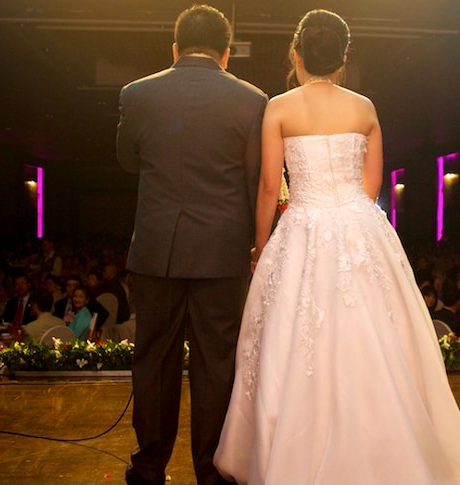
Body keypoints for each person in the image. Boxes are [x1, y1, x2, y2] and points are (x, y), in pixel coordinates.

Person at [214, 9, 460, 484]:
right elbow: (371, 184)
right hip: (360, 230)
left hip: (300, 227)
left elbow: (267, 186)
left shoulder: (278, 108)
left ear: (296, 55)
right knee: (374, 340)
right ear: (343, 58)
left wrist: (260, 248)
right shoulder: (364, 108)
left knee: (293, 340)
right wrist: (348, 230)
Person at [116, 5, 268, 485]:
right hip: (222, 255)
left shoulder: (137, 94)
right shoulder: (252, 100)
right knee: (216, 362)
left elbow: (126, 160)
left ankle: (148, 468)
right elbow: (254, 180)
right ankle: (212, 470)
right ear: (226, 53)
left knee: (153, 359)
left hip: (156, 250)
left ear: (175, 48)